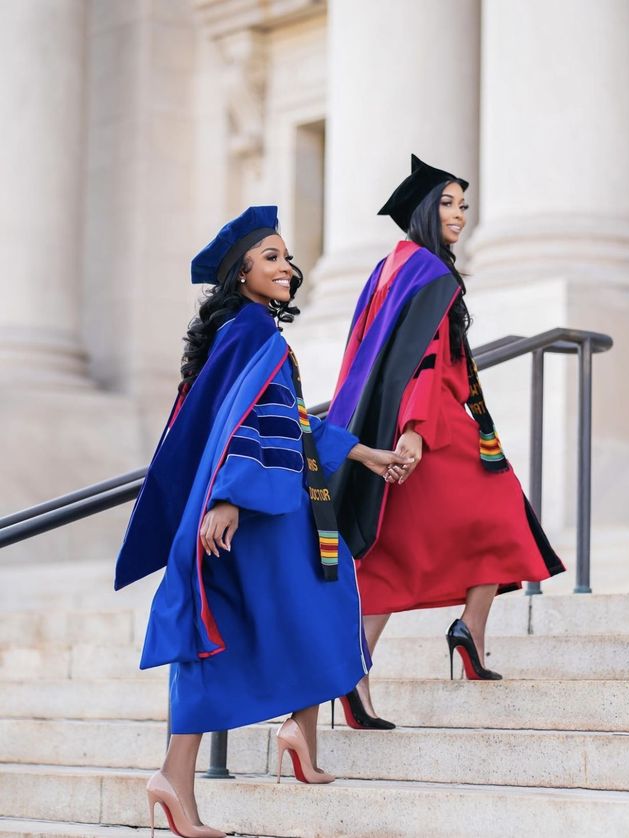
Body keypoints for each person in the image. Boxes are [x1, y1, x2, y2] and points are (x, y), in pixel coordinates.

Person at [114, 206, 410, 837]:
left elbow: (290, 422)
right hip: (254, 510)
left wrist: (363, 452)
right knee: (220, 629)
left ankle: (298, 736)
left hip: (274, 505)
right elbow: (243, 427)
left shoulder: (252, 334)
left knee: (319, 608)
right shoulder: (253, 334)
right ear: (240, 273)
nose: (287, 266)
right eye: (270, 256)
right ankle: (178, 775)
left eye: (286, 256)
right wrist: (227, 497)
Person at [328, 155, 566, 729]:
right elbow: (427, 361)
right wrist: (415, 430)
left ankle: (355, 676)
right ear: (421, 211)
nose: (460, 213)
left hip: (384, 427)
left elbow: (369, 359)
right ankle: (468, 631)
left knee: (390, 549)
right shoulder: (431, 273)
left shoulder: (390, 268)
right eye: (448, 203)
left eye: (464, 203)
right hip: (429, 424)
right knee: (503, 506)